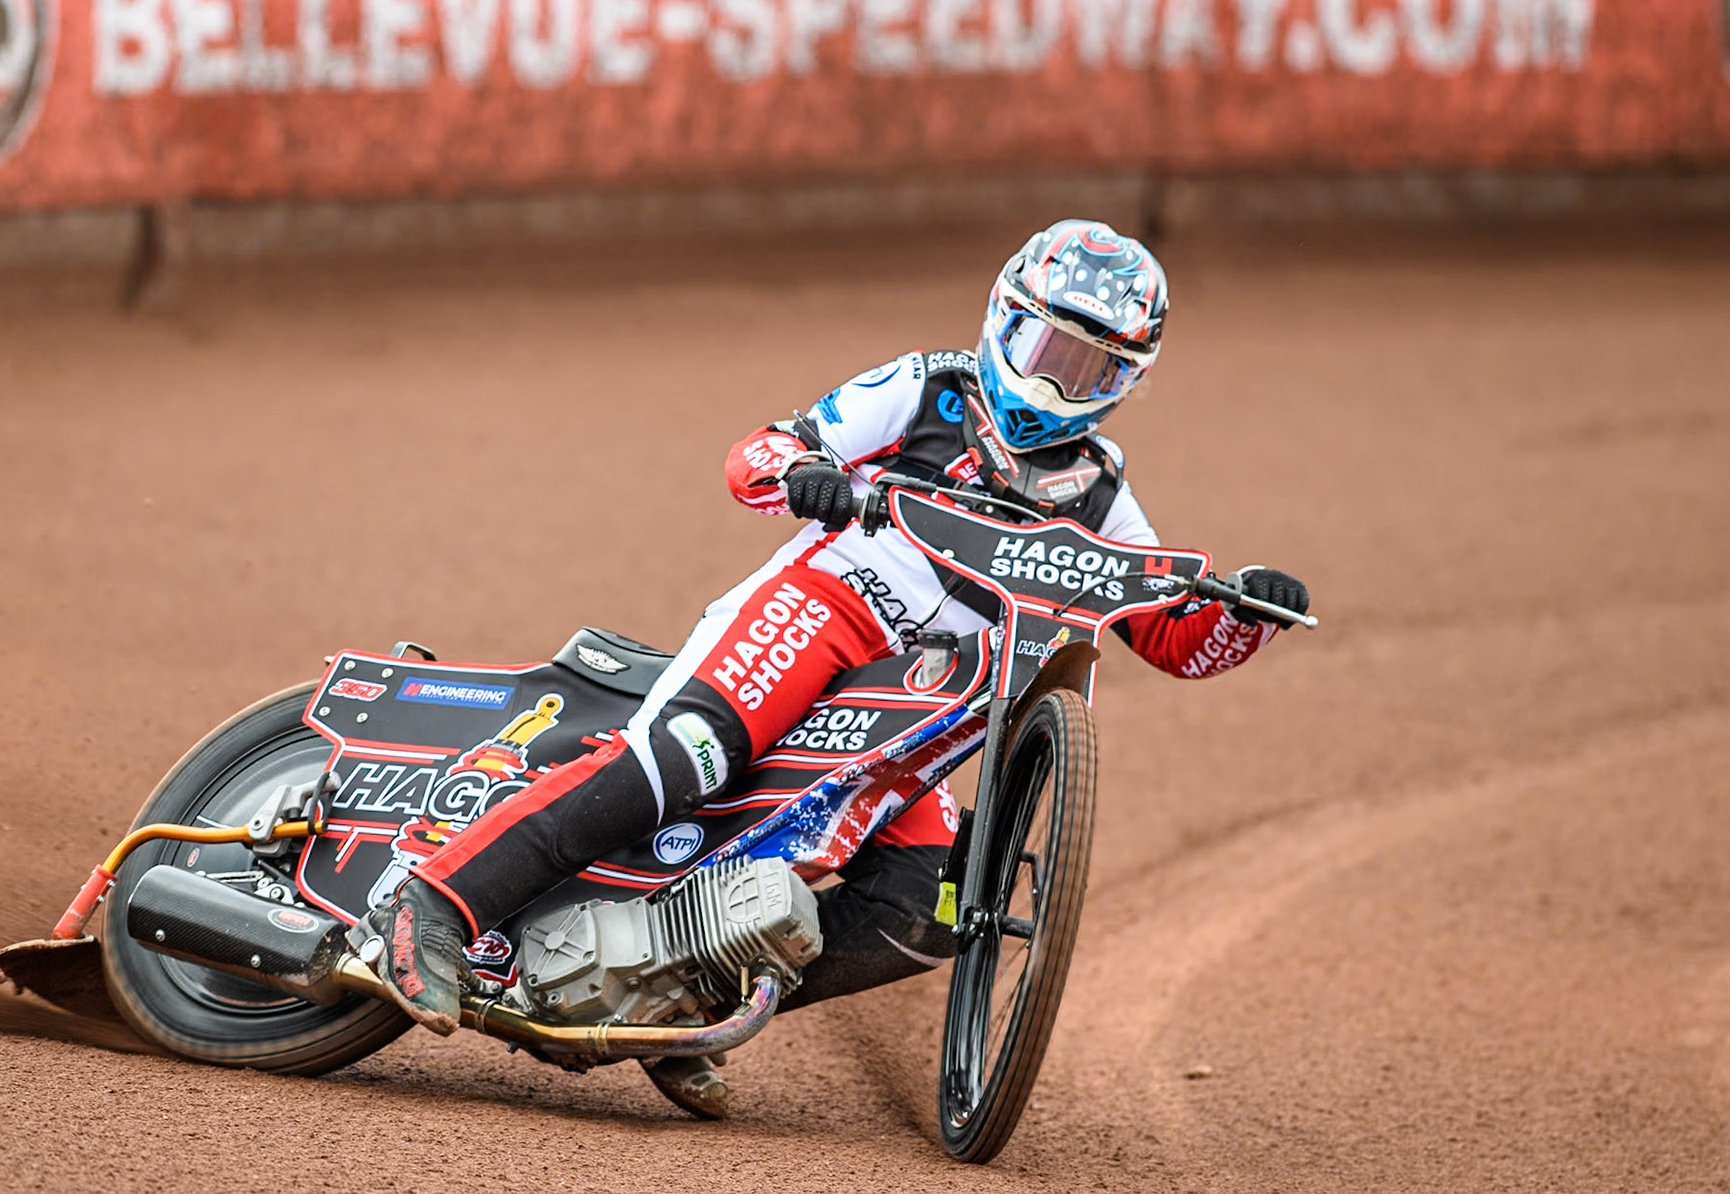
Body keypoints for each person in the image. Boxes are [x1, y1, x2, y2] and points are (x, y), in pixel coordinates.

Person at [364, 219, 1310, 1116]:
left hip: (923, 698)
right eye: (1046, 347)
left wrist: (1247, 611)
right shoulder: (931, 387)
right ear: (1003, 317)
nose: (1059, 379)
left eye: (1092, 365)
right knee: (686, 757)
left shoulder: (1102, 491)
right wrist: (805, 473)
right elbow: (757, 453)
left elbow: (1172, 636)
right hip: (821, 613)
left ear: (1125, 380)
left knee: (929, 894)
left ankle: (679, 1002)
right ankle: (436, 903)